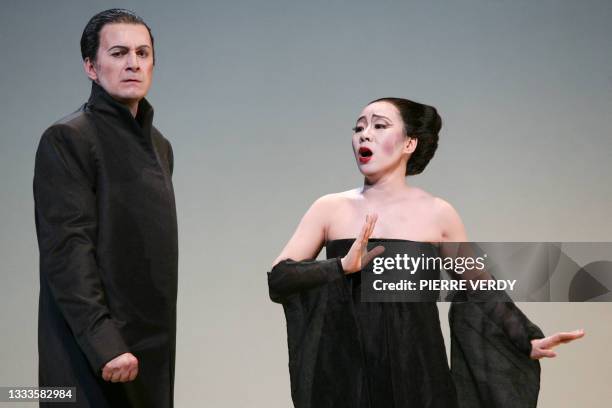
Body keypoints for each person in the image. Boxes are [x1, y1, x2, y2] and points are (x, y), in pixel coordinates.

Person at [268, 97, 584, 407]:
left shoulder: (438, 213)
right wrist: (339, 267)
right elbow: (279, 278)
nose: (365, 134)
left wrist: (523, 339)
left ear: (410, 144)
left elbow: (479, 287)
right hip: (346, 374)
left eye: (380, 126)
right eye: (359, 127)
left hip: (419, 375)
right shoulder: (329, 209)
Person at [33, 9, 177, 408]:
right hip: (92, 350)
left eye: (142, 53)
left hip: (150, 345)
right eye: (118, 53)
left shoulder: (160, 146)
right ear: (91, 67)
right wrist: (104, 343)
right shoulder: (68, 138)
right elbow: (67, 250)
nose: (133, 63)